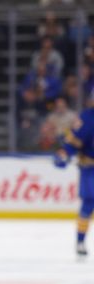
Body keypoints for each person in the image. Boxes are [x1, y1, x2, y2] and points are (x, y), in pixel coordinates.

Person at [53, 98, 94, 258]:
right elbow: (73, 140)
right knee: (88, 204)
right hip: (90, 169)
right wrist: (63, 153)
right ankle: (80, 241)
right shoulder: (86, 118)